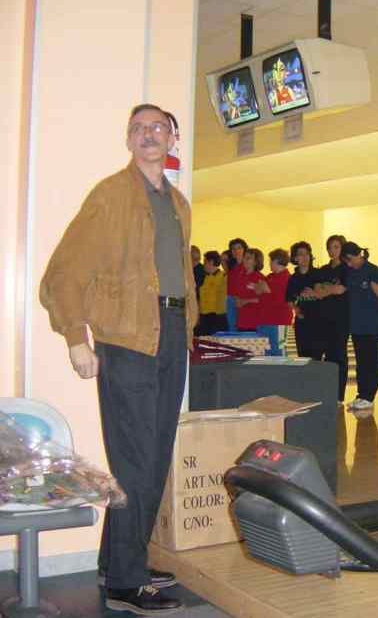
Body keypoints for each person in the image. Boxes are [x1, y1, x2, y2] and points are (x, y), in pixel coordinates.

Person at [39, 103, 197, 614]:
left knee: (154, 457)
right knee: (135, 461)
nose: (148, 134)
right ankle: (126, 584)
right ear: (128, 140)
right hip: (127, 340)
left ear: (172, 138)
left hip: (171, 332)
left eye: (158, 127)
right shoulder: (110, 195)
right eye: (138, 128)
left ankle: (120, 561)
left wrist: (188, 330)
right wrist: (75, 336)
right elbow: (64, 271)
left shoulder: (178, 202)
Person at [342, 242, 378, 411]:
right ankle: (361, 395)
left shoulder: (373, 270)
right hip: (356, 324)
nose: (349, 264)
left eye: (350, 260)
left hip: (372, 324)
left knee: (371, 361)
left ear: (357, 255)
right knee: (360, 362)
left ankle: (369, 396)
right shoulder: (350, 272)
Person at [315, 235, 350, 404]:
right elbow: (318, 291)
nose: (332, 250)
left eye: (336, 247)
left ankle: (338, 396)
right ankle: (327, 393)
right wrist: (330, 289)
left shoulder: (347, 269)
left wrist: (326, 289)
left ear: (342, 249)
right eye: (329, 247)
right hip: (324, 318)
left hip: (341, 318)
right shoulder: (323, 270)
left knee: (339, 356)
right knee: (327, 358)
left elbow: (341, 289)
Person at [286, 241, 323, 359]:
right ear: (295, 258)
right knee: (303, 357)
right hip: (301, 322)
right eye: (301, 254)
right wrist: (296, 310)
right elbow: (289, 300)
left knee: (316, 358)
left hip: (318, 321)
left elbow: (322, 294)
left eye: (307, 254)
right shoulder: (293, 278)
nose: (305, 257)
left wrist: (314, 293)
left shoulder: (318, 273)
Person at [256, 248, 293, 356]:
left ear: (276, 261)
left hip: (279, 322)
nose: (269, 264)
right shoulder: (270, 276)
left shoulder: (287, 278)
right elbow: (259, 290)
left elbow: (264, 288)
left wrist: (264, 288)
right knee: (265, 353)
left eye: (270, 261)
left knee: (279, 352)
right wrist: (264, 288)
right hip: (264, 320)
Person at [197, 250, 228, 336]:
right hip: (203, 316)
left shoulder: (223, 276)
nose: (203, 265)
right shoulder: (204, 277)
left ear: (211, 262)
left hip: (217, 316)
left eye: (205, 262)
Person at [234, 248, 265, 332]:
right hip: (241, 320)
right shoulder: (240, 276)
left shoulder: (260, 277)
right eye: (244, 257)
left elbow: (264, 299)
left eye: (248, 258)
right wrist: (237, 300)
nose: (245, 260)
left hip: (254, 321)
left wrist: (246, 301)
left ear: (256, 262)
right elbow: (237, 294)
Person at [225, 237, 248, 330]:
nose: (236, 251)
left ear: (244, 249)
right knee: (232, 327)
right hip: (230, 299)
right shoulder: (231, 265)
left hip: (243, 299)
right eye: (233, 249)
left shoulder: (248, 265)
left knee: (243, 326)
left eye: (239, 248)